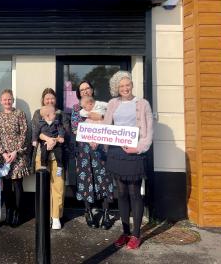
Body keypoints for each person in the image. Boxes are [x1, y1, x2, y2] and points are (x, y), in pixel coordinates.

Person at [103, 71, 153, 250]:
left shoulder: (143, 104)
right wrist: (97, 141)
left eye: (127, 85)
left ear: (132, 85)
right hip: (117, 152)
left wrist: (138, 148)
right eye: (121, 86)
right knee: (121, 193)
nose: (125, 88)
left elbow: (149, 133)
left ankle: (136, 235)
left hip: (134, 153)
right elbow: (107, 127)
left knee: (134, 194)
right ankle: (125, 232)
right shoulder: (112, 103)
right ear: (116, 88)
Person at [71, 81, 114, 230]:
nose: (85, 91)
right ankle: (88, 212)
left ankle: (106, 213)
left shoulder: (102, 106)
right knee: (85, 181)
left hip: (102, 149)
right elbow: (75, 128)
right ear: (79, 93)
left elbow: (110, 122)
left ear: (92, 90)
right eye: (82, 89)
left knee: (104, 180)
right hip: (84, 151)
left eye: (87, 88)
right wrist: (90, 139)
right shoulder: (76, 108)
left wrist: (100, 118)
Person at [31, 88, 71, 230]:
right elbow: (36, 131)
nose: (50, 100)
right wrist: (48, 139)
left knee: (58, 186)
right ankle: (44, 215)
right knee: (43, 186)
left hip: (58, 156)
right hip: (42, 155)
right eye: (47, 98)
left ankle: (55, 217)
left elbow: (65, 132)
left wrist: (54, 141)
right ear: (43, 100)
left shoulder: (62, 115)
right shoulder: (38, 113)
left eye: (52, 98)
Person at [0, 89, 28, 227]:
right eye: (4, 99)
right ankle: (9, 213)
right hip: (4, 157)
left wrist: (15, 152)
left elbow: (24, 133)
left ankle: (18, 214)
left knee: (17, 184)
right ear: (1, 101)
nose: (7, 101)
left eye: (9, 99)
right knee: (6, 185)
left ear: (12, 100)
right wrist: (3, 153)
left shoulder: (19, 114)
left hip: (17, 156)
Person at [33, 105, 65, 176]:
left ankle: (59, 166)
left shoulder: (56, 122)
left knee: (59, 152)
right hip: (45, 142)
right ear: (47, 116)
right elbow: (36, 132)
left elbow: (61, 129)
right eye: (53, 113)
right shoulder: (40, 123)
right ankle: (44, 165)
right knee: (44, 152)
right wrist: (34, 140)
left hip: (55, 141)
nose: (55, 115)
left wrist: (61, 137)